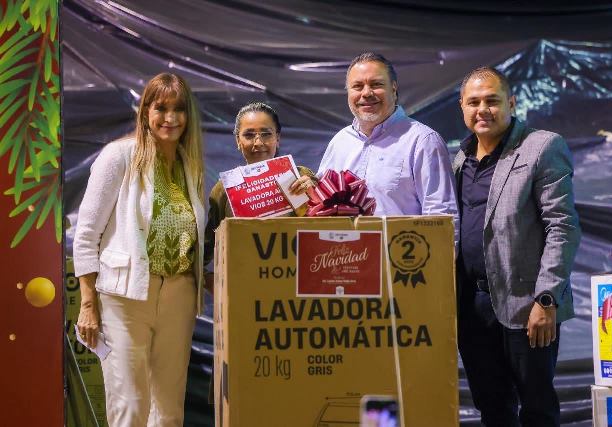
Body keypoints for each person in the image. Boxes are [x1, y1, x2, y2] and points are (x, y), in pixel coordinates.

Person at [73, 72, 205, 427]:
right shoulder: (119, 156)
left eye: (179, 109)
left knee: (168, 411)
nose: (171, 118)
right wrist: (88, 304)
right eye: (161, 108)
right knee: (130, 405)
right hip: (125, 297)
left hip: (179, 295)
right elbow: (86, 234)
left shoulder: (189, 165)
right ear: (145, 111)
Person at [454, 66, 581, 426]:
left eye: (492, 101)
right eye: (473, 102)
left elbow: (563, 227)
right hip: (473, 309)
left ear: (511, 103)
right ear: (462, 107)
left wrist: (547, 298)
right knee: (492, 409)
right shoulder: (459, 160)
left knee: (538, 410)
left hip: (529, 305)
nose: (483, 110)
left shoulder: (542, 147)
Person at [317, 52, 458, 237]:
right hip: (343, 253)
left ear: (394, 88)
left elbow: (442, 216)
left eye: (376, 84)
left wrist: (441, 256)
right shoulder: (339, 142)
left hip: (401, 255)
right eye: (357, 86)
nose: (366, 93)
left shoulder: (423, 141)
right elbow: (321, 207)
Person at [203, 101, 316, 281]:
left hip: (296, 283)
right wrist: (210, 282)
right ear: (238, 141)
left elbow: (328, 228)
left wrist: (317, 195)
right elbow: (207, 247)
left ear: (277, 138)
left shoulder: (301, 176)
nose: (258, 142)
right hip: (247, 286)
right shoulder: (224, 189)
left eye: (266, 134)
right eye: (249, 135)